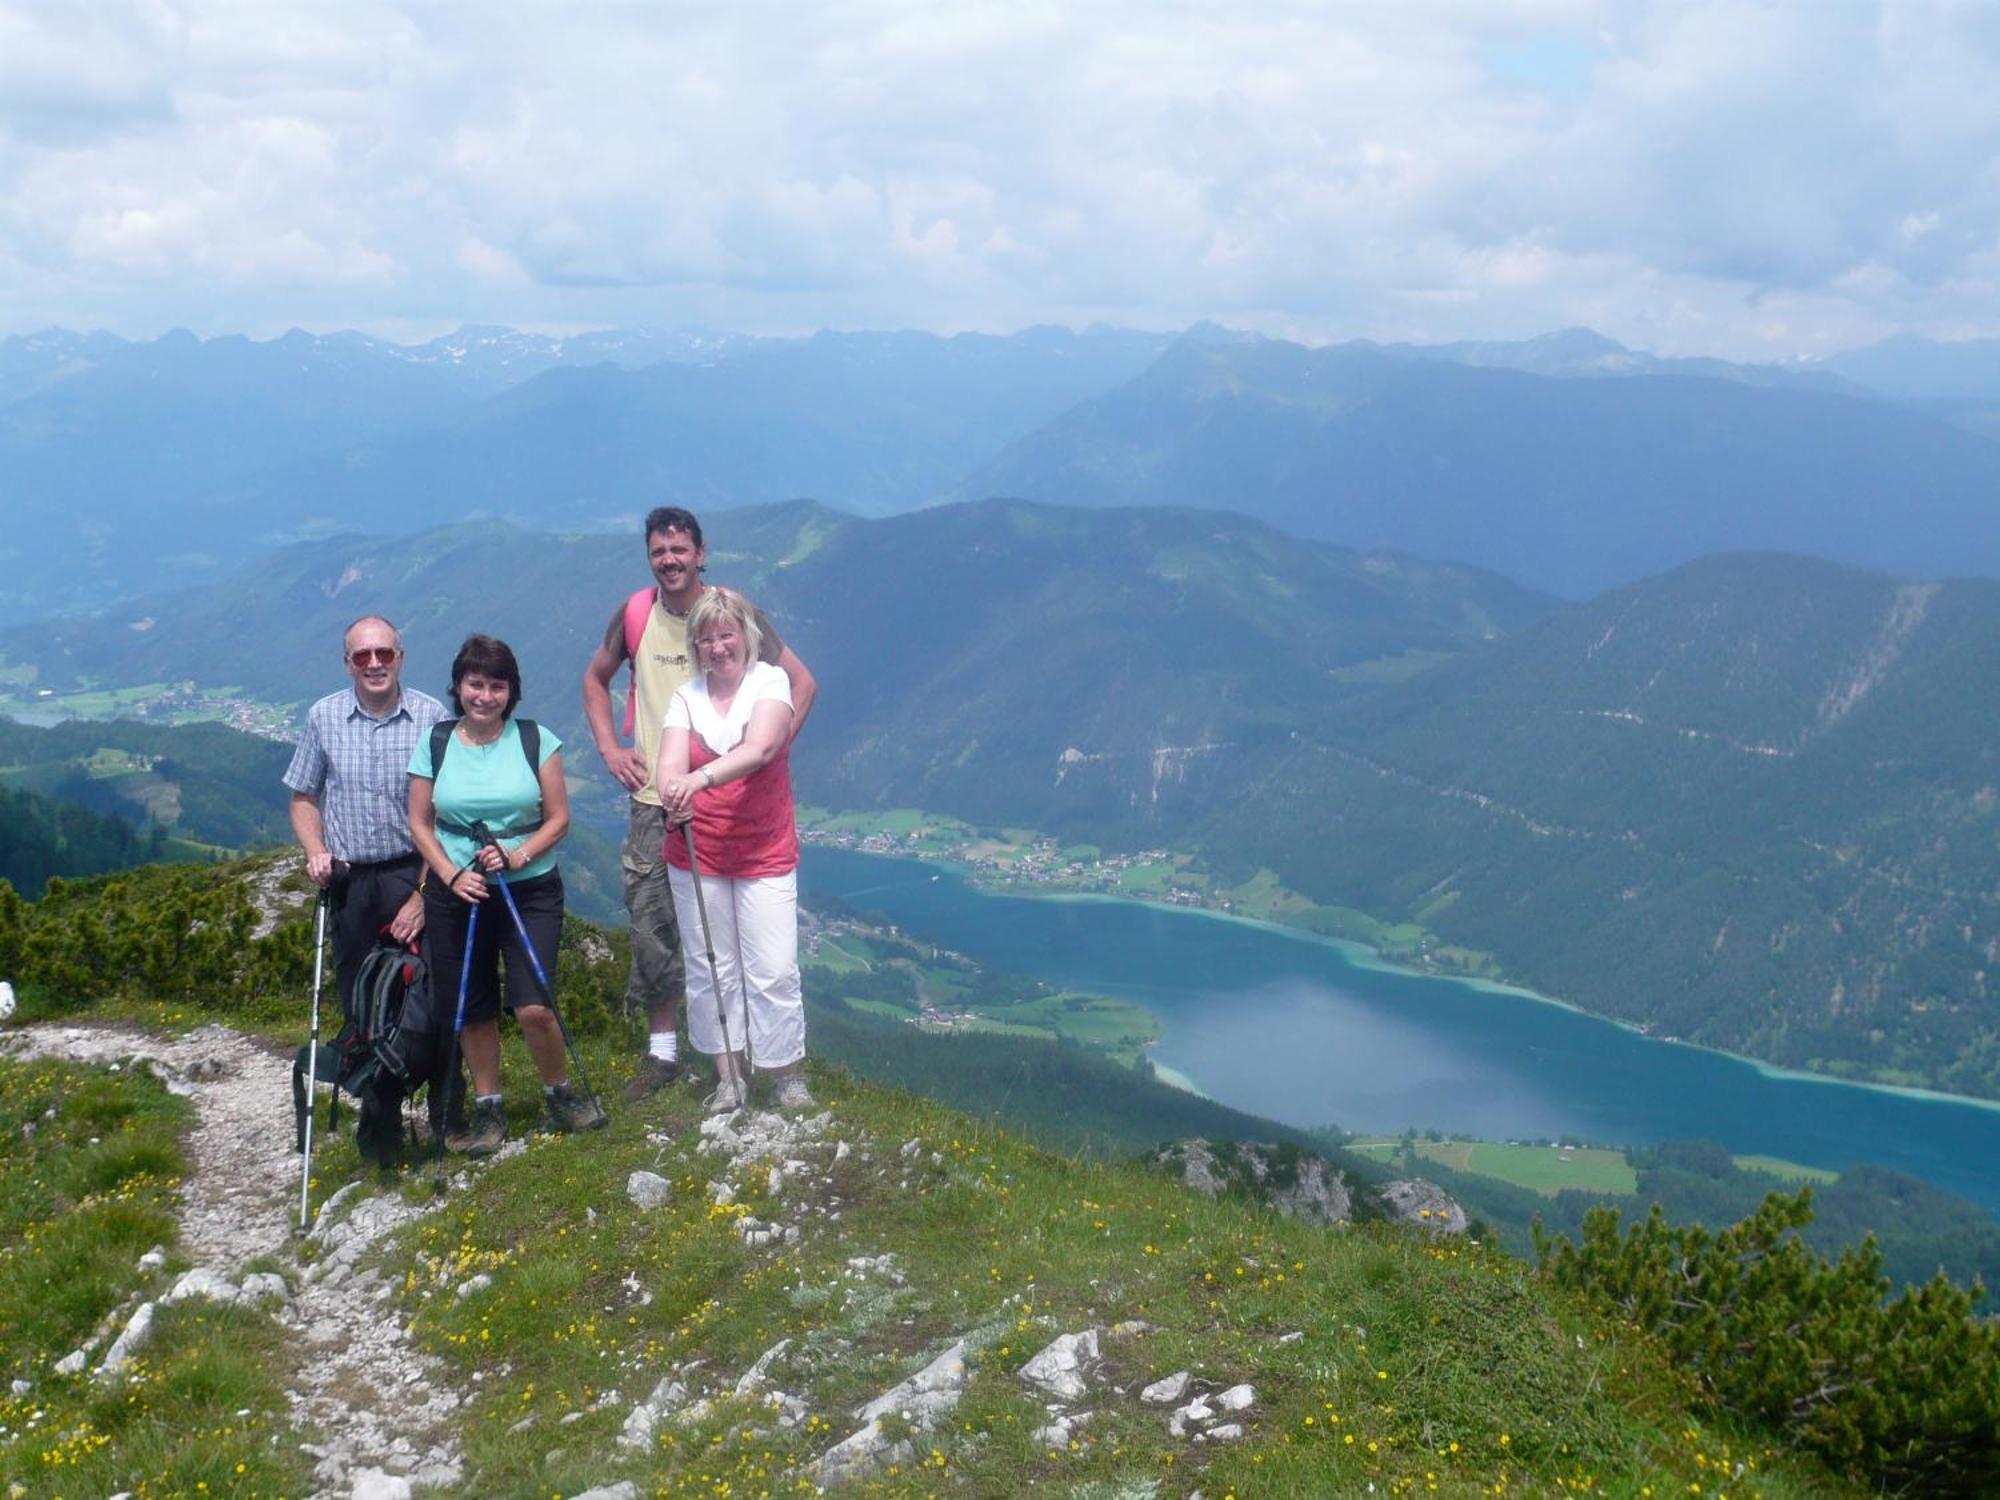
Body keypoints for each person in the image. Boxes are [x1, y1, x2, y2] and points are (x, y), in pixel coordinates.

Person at [581, 506, 815, 1102]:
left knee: (745, 954)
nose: (670, 559)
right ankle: (666, 1054)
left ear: (701, 552)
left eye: (679, 548)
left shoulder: (736, 614)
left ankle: (771, 1070)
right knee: (659, 927)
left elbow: (800, 683)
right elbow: (595, 678)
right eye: (659, 550)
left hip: (725, 798)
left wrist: (771, 754)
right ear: (649, 556)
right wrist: (610, 748)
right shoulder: (636, 615)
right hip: (659, 796)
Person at [410, 634, 606, 1154]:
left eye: (497, 686)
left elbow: (559, 819)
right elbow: (418, 822)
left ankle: (558, 1092)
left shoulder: (535, 740)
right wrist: (451, 875)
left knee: (532, 1005)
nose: (485, 695)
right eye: (476, 684)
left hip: (529, 888)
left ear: (511, 692)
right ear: (458, 686)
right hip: (460, 893)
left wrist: (516, 855)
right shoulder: (435, 743)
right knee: (472, 1005)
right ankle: (488, 1107)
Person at [283, 614, 456, 1159]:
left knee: (430, 997)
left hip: (417, 870)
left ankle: (445, 1115)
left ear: (401, 657)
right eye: (363, 656)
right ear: (348, 664)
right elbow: (303, 796)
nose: (375, 664)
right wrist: (316, 852)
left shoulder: (431, 716)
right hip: (351, 882)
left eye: (384, 653)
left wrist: (424, 896)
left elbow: (447, 812)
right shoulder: (323, 717)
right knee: (363, 1005)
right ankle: (378, 1128)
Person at [654, 588, 810, 1113]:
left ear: (747, 636)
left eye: (726, 634)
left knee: (772, 967)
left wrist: (694, 780)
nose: (717, 646)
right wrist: (673, 788)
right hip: (699, 852)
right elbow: (668, 761)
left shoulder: (770, 681)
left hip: (763, 849)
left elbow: (762, 746)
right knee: (709, 966)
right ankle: (729, 1075)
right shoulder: (686, 697)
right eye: (706, 638)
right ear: (695, 647)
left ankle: (783, 1073)